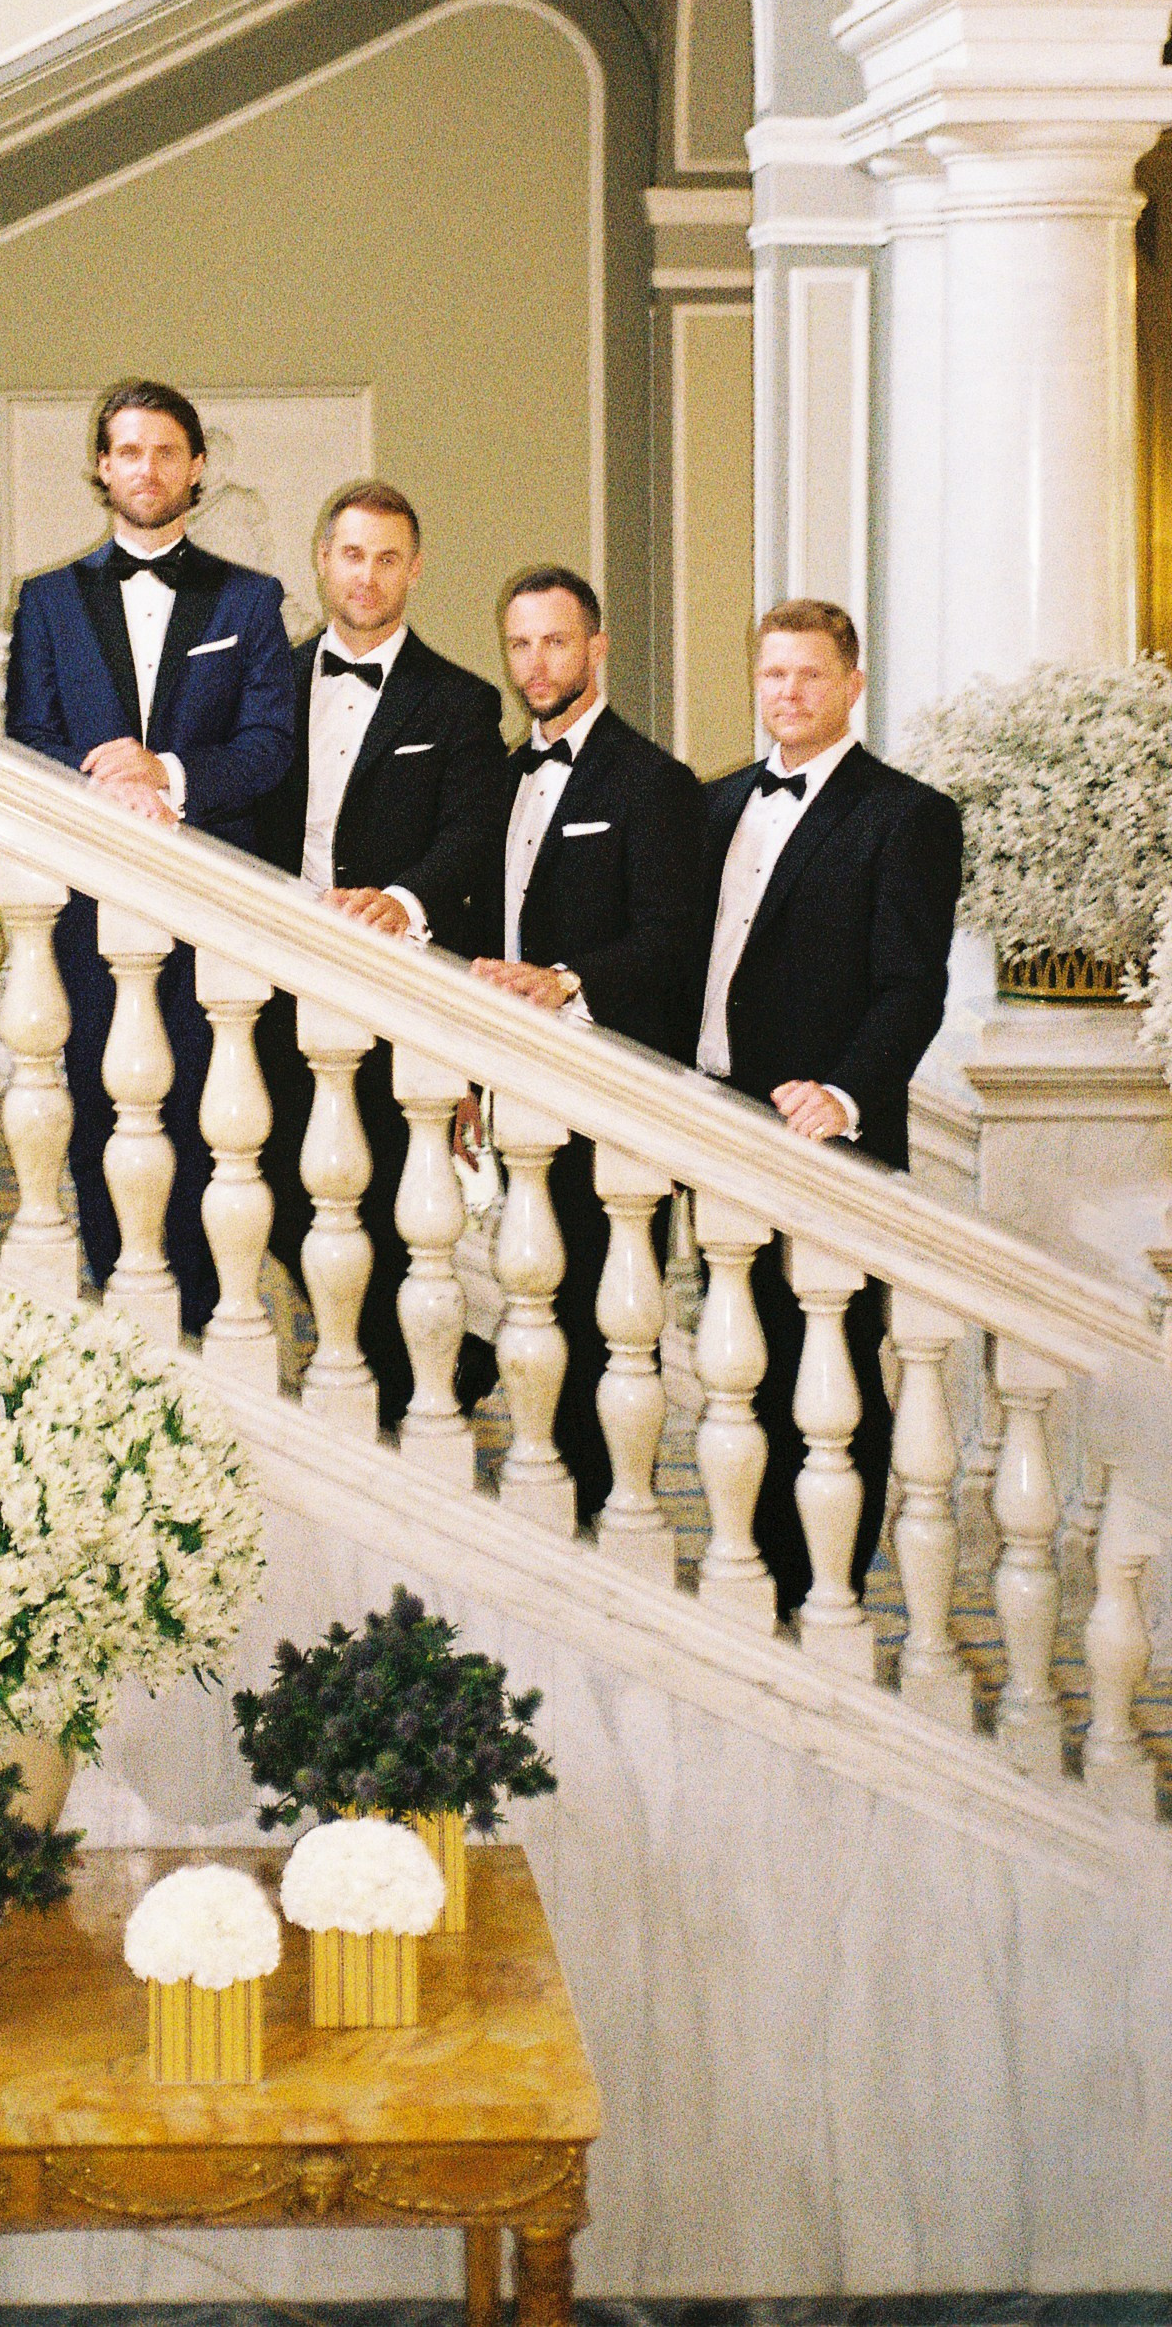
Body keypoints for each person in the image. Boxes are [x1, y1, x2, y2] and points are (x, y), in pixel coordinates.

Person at [4, 379, 294, 1329]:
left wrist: (163, 770)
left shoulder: (250, 602)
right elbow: (28, 737)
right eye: (127, 450)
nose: (146, 468)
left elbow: (269, 747)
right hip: (90, 903)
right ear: (101, 464)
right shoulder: (45, 599)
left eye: (166, 450)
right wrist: (108, 786)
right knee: (92, 1098)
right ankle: (114, 1302)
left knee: (211, 1114)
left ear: (196, 466)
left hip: (213, 907)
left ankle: (214, 1316)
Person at [694, 597, 963, 1616]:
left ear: (851, 684)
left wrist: (844, 1091)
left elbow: (910, 984)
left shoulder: (904, 813)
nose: (787, 692)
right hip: (712, 1117)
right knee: (739, 1363)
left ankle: (829, 1586)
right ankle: (749, 1577)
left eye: (808, 674)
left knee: (834, 1370)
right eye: (772, 673)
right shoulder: (713, 803)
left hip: (825, 1139)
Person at [250, 479, 508, 1423]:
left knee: (395, 1191)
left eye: (387, 556)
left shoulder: (460, 700)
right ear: (322, 558)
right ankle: (427, 1363)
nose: (366, 575)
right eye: (351, 554)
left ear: (414, 567)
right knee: (267, 1178)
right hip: (275, 979)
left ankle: (396, 1385)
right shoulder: (265, 679)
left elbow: (475, 830)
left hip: (397, 991)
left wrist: (402, 903)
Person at [460, 566, 704, 1519]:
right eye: (519, 643)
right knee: (533, 1298)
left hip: (607, 1091)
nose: (535, 663)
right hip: (517, 1090)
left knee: (599, 1317)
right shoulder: (502, 777)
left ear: (596, 649)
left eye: (555, 641)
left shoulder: (652, 781)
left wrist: (566, 980)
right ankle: (544, 1488)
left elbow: (672, 938)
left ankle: (605, 1507)